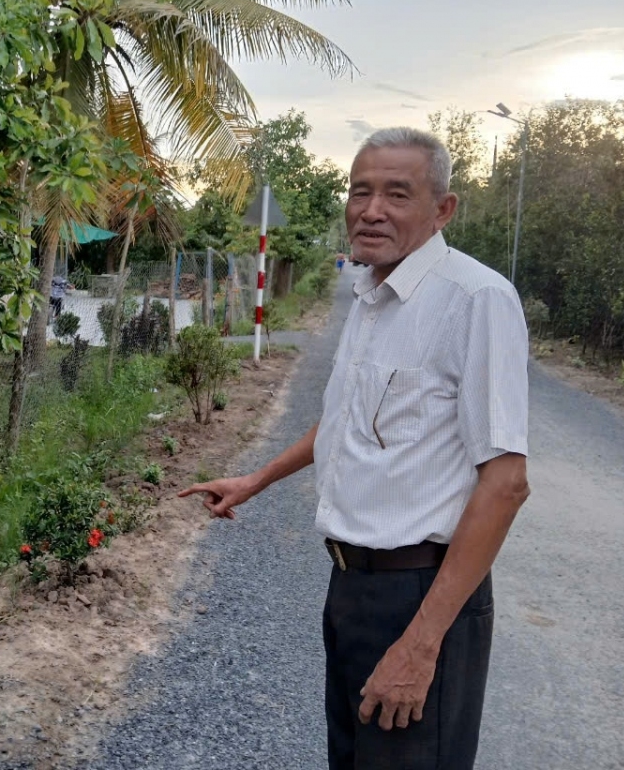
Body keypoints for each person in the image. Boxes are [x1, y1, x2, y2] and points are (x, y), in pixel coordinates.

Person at [181, 127, 530, 770]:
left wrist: (422, 645)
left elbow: (506, 483)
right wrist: (254, 480)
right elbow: (346, 421)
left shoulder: (475, 300)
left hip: (420, 593)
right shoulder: (371, 298)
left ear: (442, 209)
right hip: (350, 589)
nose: (372, 210)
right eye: (360, 191)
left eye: (398, 194)